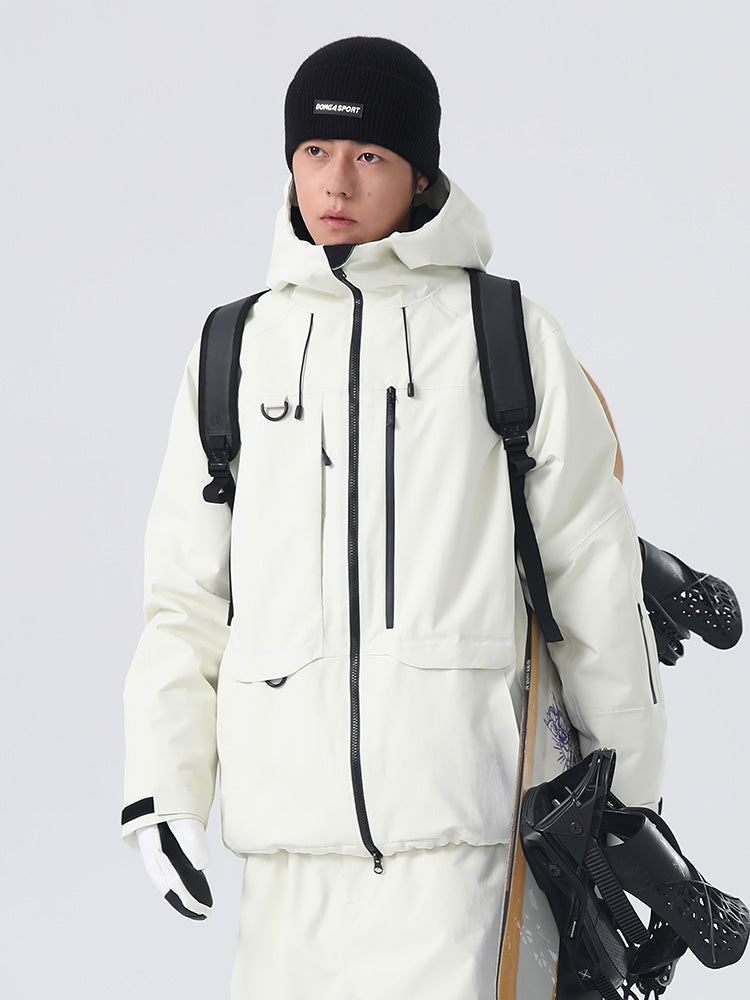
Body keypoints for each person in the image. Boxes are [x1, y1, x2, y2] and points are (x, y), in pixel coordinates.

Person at [122, 36, 667, 999]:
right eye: (314, 151)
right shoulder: (233, 348)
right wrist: (165, 789)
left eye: (369, 154)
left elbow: (593, 574)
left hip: (467, 851)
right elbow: (186, 597)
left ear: (419, 173)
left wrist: (627, 808)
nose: (335, 181)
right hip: (287, 858)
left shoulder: (506, 335)